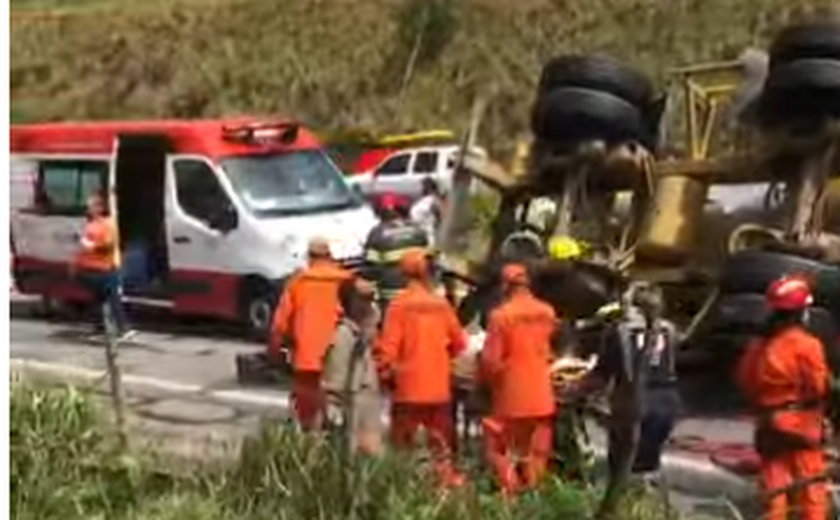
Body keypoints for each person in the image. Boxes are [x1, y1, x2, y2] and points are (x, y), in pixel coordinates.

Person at [736, 275, 830, 520]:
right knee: (810, 488)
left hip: (769, 424)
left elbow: (745, 380)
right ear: (802, 311)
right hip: (801, 425)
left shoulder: (759, 344)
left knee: (775, 487)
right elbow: (818, 387)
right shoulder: (808, 345)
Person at [375, 248, 467, 486]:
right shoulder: (441, 305)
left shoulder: (398, 306)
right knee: (440, 445)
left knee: (404, 446)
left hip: (407, 388)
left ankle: (408, 491)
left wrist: (384, 375)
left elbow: (387, 352)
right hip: (438, 386)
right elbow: (460, 343)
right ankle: (444, 492)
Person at [594, 282, 681, 519]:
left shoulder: (619, 331)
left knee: (621, 463)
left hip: (633, 402)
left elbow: (602, 374)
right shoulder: (670, 330)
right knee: (648, 463)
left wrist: (577, 391)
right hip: (667, 401)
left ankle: (613, 511)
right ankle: (646, 509)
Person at [478, 263, 558, 496]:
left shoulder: (500, 316)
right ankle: (533, 495)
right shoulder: (547, 312)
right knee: (537, 451)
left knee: (500, 449)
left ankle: (510, 495)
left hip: (511, 396)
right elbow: (547, 350)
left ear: (505, 286)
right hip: (542, 396)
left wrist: (485, 385)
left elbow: (491, 361)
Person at [270, 237, 352, 431]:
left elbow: (280, 324)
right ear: (330, 256)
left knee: (307, 408)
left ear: (309, 257)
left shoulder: (298, 282)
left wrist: (275, 351)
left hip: (307, 356)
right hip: (339, 354)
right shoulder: (346, 279)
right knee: (339, 404)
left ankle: (311, 446)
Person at [322, 277, 383, 455]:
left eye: (372, 298)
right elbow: (334, 385)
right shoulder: (343, 336)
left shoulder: (363, 336)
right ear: (351, 302)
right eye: (364, 298)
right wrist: (335, 415)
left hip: (366, 418)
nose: (370, 304)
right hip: (353, 418)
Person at [73, 193, 135, 341]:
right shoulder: (90, 224)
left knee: (112, 298)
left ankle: (123, 328)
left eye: (91, 206)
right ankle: (102, 328)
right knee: (98, 299)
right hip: (91, 269)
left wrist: (88, 244)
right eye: (88, 206)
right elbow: (83, 248)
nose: (88, 209)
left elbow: (107, 247)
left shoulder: (107, 224)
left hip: (105, 269)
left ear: (100, 208)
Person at [363, 192, 429, 315]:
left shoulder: (377, 234)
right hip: (420, 292)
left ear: (380, 212)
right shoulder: (418, 230)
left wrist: (372, 297)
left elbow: (371, 270)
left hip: (392, 297)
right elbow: (429, 260)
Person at [409, 177, 444, 247]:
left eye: (423, 186)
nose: (421, 188)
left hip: (425, 223)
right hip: (422, 223)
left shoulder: (432, 198)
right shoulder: (430, 198)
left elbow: (439, 211)